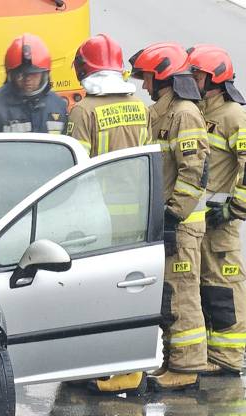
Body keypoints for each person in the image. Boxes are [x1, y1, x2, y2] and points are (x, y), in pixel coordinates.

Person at [67, 34, 153, 394]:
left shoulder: (84, 111)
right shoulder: (140, 106)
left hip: (98, 219)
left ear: (84, 69)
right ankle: (130, 366)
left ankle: (107, 367)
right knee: (133, 293)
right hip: (138, 214)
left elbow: (73, 170)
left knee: (97, 296)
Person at [130, 42, 209, 390]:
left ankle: (187, 366)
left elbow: (194, 172)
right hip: (168, 219)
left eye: (147, 78)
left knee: (183, 294)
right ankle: (174, 361)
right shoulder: (160, 111)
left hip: (183, 224)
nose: (144, 86)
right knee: (168, 294)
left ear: (162, 76)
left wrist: (174, 215)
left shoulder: (184, 113)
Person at [187, 44, 246, 376]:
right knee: (205, 287)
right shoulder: (203, 113)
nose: (192, 79)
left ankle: (229, 356)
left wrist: (235, 208)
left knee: (225, 286)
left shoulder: (234, 116)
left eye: (197, 74)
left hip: (221, 222)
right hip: (201, 220)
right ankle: (213, 352)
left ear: (213, 79)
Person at [0, 33, 68, 135]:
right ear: (11, 75)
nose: (27, 79)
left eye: (34, 74)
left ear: (44, 75)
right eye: (21, 75)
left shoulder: (58, 106)